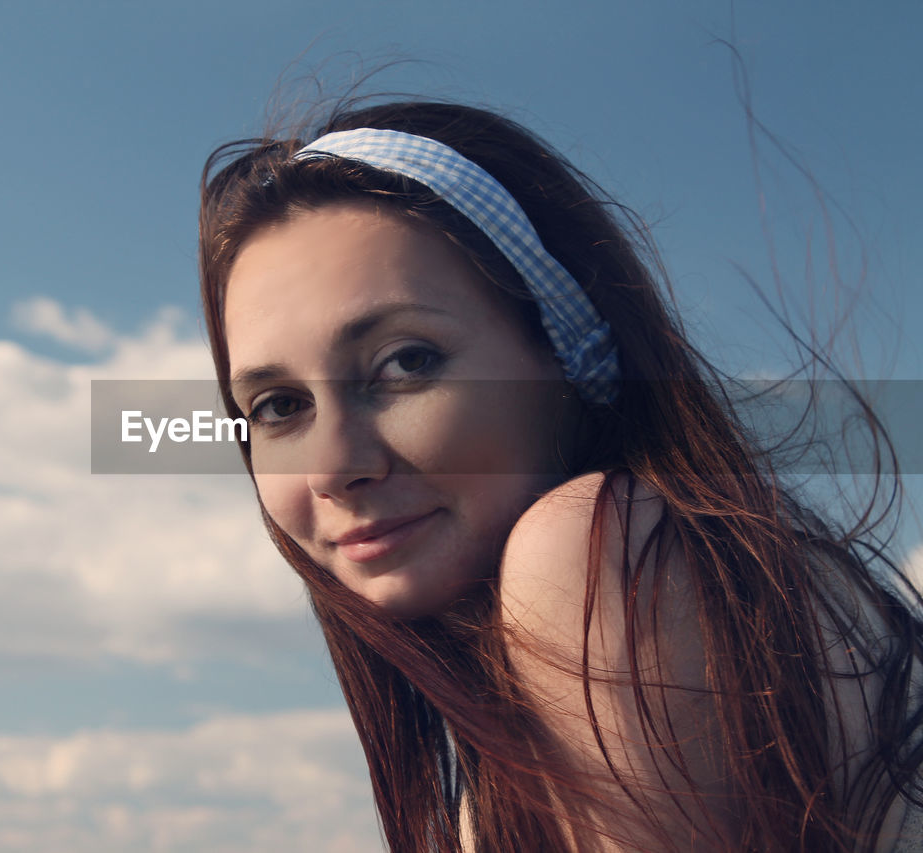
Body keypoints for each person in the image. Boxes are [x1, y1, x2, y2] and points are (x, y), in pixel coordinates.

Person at [197, 99, 923, 851]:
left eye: (407, 361)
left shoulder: (596, 548)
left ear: (570, 355)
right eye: (279, 406)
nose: (335, 465)